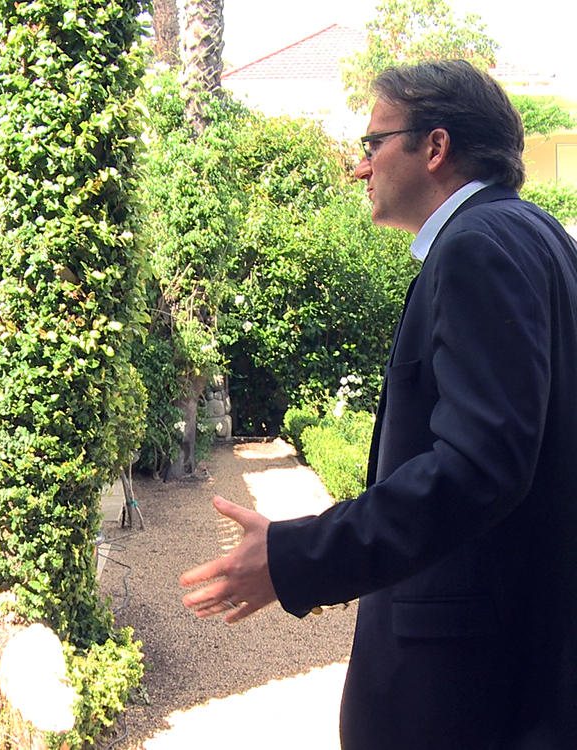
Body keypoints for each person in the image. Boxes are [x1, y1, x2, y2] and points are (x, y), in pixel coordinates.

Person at [181, 60, 577, 749]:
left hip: (467, 694)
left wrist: (295, 555)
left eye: (372, 143)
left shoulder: (476, 249)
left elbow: (479, 467)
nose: (358, 168)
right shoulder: (543, 240)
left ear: (435, 146)